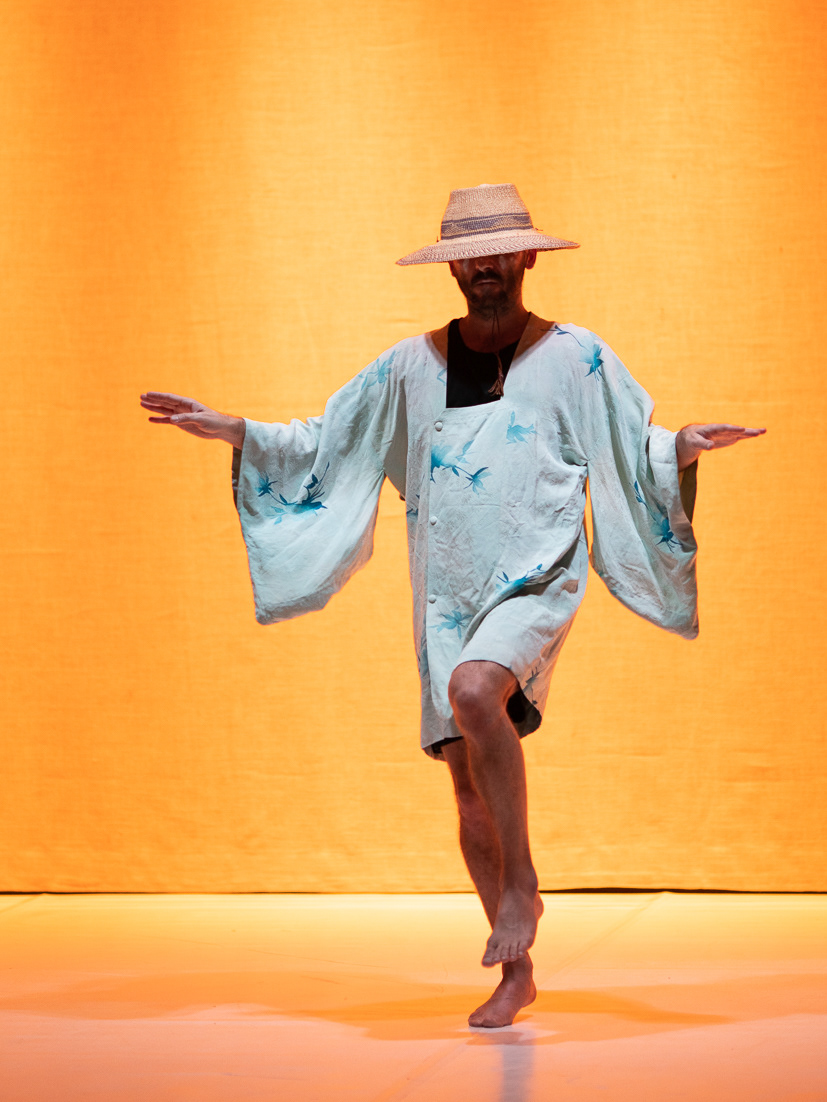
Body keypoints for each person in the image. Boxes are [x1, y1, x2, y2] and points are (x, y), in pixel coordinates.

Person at [141, 183, 765, 1028]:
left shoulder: (575, 356)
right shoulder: (411, 365)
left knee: (475, 691)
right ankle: (517, 972)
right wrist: (235, 430)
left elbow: (634, 444)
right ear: (452, 269)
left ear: (527, 256)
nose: (484, 268)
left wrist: (682, 447)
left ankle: (522, 880)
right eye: (469, 257)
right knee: (467, 786)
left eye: (497, 252)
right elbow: (326, 441)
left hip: (536, 574)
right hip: (444, 588)